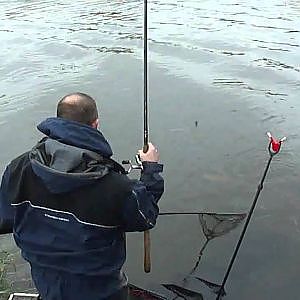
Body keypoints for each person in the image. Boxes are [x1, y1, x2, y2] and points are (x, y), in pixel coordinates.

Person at [0, 92, 164, 300]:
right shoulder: (114, 185)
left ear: (58, 121)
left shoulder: (19, 168)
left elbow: (5, 220)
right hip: (102, 291)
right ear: (96, 124)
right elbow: (144, 216)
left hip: (46, 282)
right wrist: (150, 169)